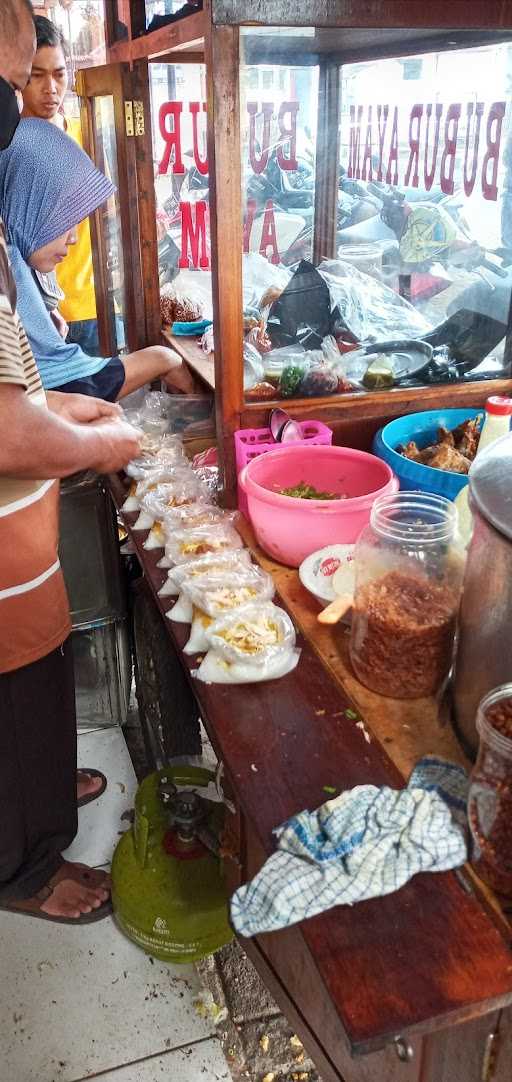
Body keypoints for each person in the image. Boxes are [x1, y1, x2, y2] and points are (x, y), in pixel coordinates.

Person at [0, 0, 143, 923]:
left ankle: (45, 793)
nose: (22, 106)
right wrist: (103, 440)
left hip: (19, 548)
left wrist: (68, 405)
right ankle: (25, 866)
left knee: (37, 675)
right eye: (16, 84)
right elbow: (8, 436)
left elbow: (19, 396)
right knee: (11, 694)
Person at [0, 117, 195, 399]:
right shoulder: (8, 267)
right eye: (61, 218)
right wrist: (161, 359)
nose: (73, 237)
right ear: (28, 203)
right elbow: (68, 389)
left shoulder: (15, 260)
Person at [22, 15, 100, 353]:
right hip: (33, 313)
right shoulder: (8, 149)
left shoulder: (90, 136)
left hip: (93, 306)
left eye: (59, 74)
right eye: (36, 76)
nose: (50, 88)